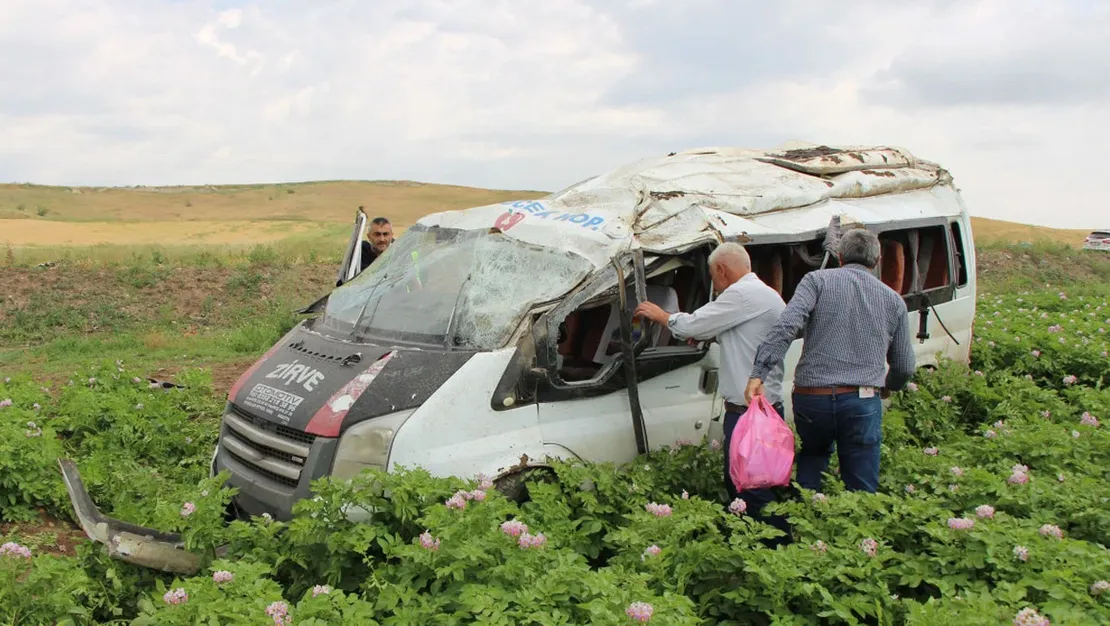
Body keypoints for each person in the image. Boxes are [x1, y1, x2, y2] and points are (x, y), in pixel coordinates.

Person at [746, 228, 915, 494]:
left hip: (813, 398)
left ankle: (805, 520)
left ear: (839, 255)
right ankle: (858, 530)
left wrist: (759, 372)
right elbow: (904, 366)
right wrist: (889, 386)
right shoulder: (893, 301)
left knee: (813, 456)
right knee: (861, 481)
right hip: (862, 400)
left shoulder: (816, 281)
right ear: (878, 260)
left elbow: (787, 326)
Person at [635, 242, 788, 532]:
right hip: (762, 407)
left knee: (750, 487)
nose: (715, 286)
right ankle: (757, 543)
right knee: (745, 482)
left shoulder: (741, 295)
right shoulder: (763, 294)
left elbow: (694, 324)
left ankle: (775, 544)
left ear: (721, 269)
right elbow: (745, 339)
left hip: (749, 412)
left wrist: (663, 316)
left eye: (713, 277)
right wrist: (715, 337)